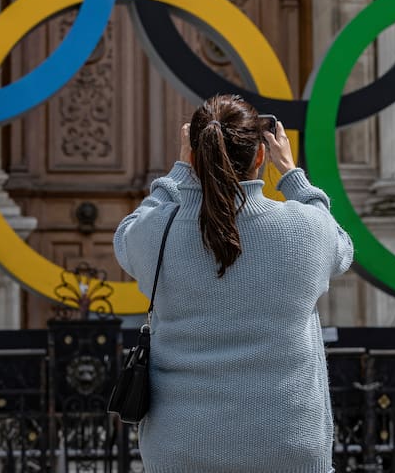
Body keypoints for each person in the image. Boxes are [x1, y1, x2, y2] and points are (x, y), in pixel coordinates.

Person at [113, 93, 353, 473]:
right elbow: (341, 245)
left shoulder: (158, 231)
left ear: (194, 156)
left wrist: (178, 175)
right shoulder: (304, 229)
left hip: (181, 449)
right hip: (286, 447)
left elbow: (126, 235)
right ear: (260, 156)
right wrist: (292, 174)